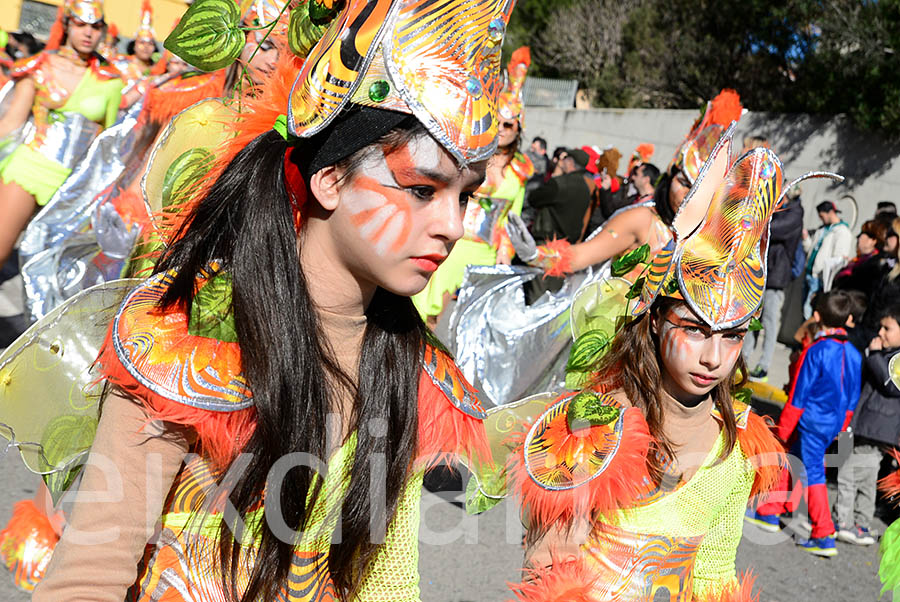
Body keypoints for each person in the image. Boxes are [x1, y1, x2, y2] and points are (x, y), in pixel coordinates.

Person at [0, 0, 518, 597]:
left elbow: (385, 580)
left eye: (465, 197)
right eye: (422, 189)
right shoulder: (188, 344)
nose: (452, 226)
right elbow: (90, 577)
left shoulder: (414, 371)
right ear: (329, 178)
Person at [501, 129, 790, 600]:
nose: (714, 358)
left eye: (733, 336)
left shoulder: (735, 446)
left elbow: (717, 574)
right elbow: (550, 570)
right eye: (694, 329)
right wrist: (539, 255)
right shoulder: (591, 429)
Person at [411, 46, 533, 322]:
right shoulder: (474, 155)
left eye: (508, 125)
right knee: (429, 313)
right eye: (498, 122)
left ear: (518, 129)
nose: (501, 129)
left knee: (464, 322)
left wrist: (505, 251)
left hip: (486, 253)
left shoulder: (521, 170)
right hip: (455, 242)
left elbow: (511, 217)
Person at [0, 1, 123, 267]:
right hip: (28, 169)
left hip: (73, 186)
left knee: (53, 272)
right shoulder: (41, 66)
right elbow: (11, 121)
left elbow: (108, 144)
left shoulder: (112, 81)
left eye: (95, 26)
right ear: (67, 25)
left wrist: (104, 193)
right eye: (80, 24)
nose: (88, 33)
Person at [748, 290, 862, 557]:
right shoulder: (855, 355)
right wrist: (841, 427)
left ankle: (823, 532)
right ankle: (770, 512)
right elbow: (852, 398)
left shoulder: (816, 351)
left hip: (811, 422)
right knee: (794, 459)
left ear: (817, 316)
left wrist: (783, 430)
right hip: (831, 424)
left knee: (812, 473)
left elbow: (798, 397)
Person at [834, 303, 900, 545]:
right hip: (873, 428)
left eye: (887, 328)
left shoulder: (893, 358)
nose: (880, 333)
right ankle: (861, 524)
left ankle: (843, 522)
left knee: (849, 473)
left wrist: (873, 356)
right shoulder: (888, 355)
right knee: (865, 478)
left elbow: (891, 384)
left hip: (876, 429)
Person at [744, 183, 804, 380]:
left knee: (769, 322)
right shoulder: (778, 210)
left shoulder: (795, 213)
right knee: (752, 318)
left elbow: (775, 230)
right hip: (762, 272)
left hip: (776, 277)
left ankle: (764, 366)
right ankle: (743, 359)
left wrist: (761, 218)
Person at [802, 200, 854, 318]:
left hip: (821, 278)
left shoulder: (842, 232)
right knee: (805, 308)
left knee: (809, 310)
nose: (821, 219)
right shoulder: (822, 230)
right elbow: (811, 249)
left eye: (822, 216)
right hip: (810, 274)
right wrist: (805, 239)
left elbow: (839, 258)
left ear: (830, 212)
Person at [833, 219, 889, 297]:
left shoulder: (872, 264)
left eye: (862, 234)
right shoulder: (860, 261)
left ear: (873, 240)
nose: (857, 237)